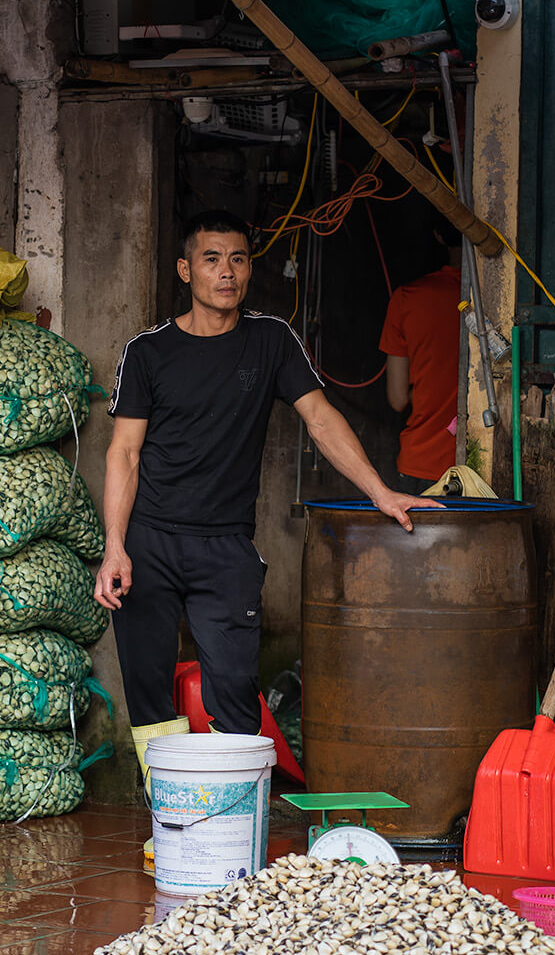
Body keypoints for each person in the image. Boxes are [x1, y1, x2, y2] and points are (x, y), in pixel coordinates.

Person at [94, 209, 442, 817]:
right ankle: (174, 821)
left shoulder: (271, 340)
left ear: (250, 269)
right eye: (210, 259)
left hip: (225, 547)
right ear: (185, 270)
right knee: (149, 698)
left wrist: (380, 492)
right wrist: (115, 546)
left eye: (237, 259)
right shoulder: (148, 352)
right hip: (148, 542)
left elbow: (321, 419)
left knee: (232, 691)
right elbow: (123, 451)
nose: (225, 273)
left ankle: (231, 825)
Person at [379, 221, 463, 491]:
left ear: (438, 234)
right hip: (486, 459)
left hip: (424, 461)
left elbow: (397, 398)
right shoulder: (499, 300)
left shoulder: (407, 299)